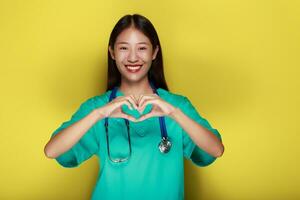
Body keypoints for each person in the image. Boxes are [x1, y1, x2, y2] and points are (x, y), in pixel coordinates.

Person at [44, 13, 224, 200]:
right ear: (112, 52)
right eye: (123, 48)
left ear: (154, 52)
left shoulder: (177, 106)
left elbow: (215, 150)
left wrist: (174, 113)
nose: (132, 57)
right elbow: (52, 151)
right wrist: (98, 114)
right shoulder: (98, 107)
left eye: (142, 48)